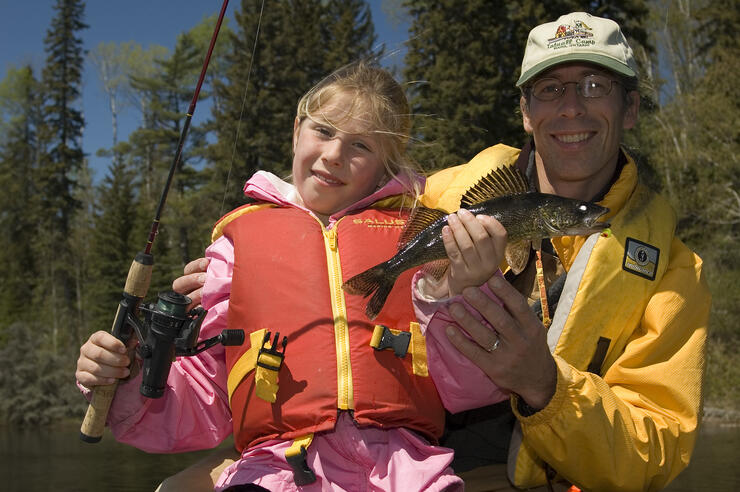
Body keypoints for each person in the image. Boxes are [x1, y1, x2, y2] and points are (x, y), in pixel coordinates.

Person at [172, 11, 711, 492]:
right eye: (550, 89)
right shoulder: (430, 199)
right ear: (525, 111)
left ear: (631, 107)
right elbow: (328, 205)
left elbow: (657, 449)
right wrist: (236, 271)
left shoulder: (675, 272)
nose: (571, 108)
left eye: (595, 86)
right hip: (375, 451)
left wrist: (545, 385)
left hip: (517, 473)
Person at [75, 62, 508, 492]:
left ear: (384, 165)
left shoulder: (419, 240)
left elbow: (474, 388)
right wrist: (128, 379)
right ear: (297, 129)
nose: (334, 154)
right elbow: (198, 404)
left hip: (408, 472)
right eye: (323, 131)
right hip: (274, 473)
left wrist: (462, 292)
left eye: (360, 145)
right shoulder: (233, 251)